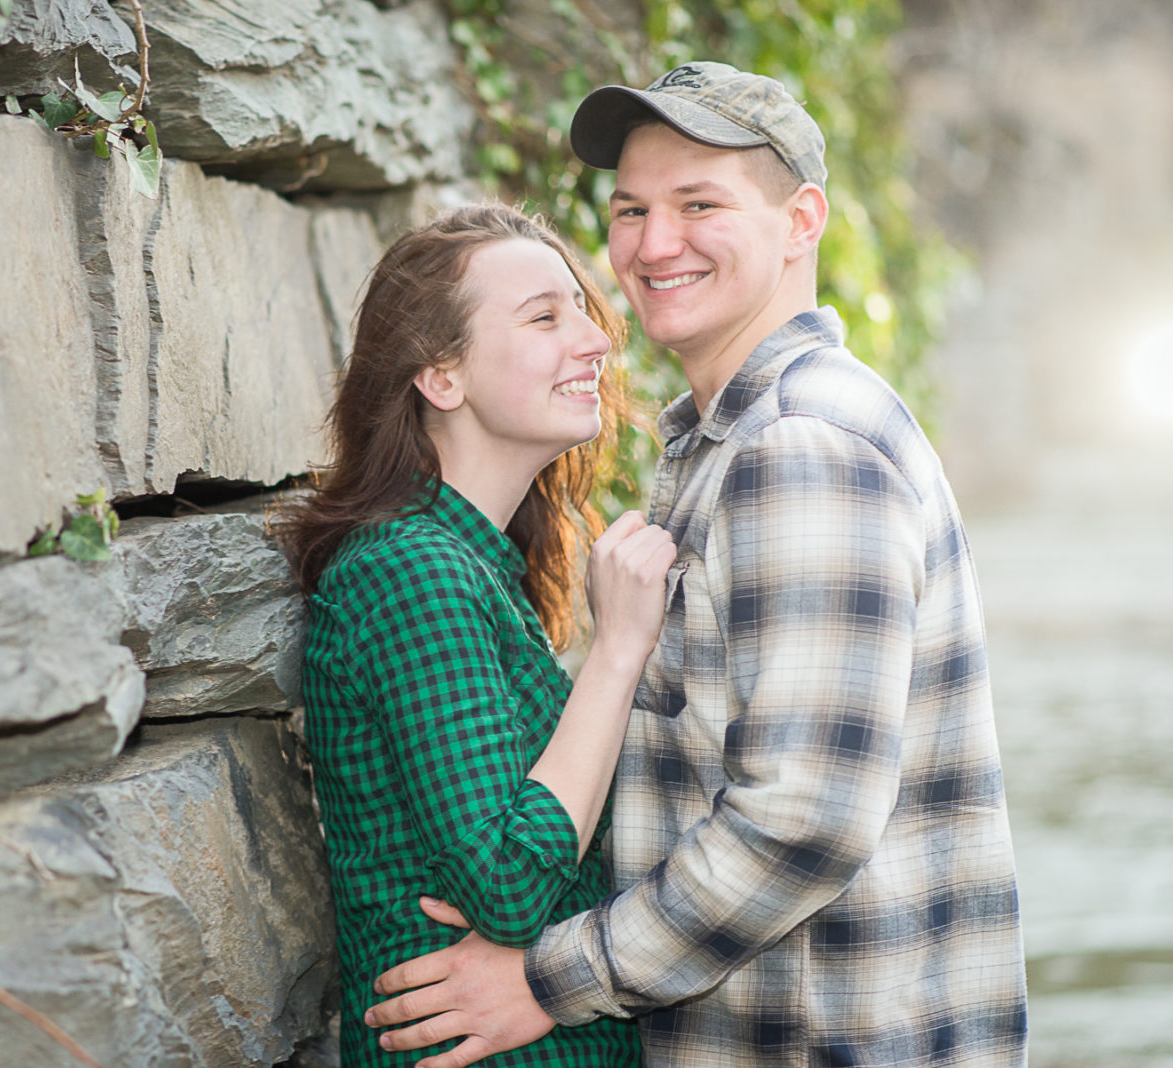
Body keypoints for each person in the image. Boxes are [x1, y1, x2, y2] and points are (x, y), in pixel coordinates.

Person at [364, 62, 1029, 1068]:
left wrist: (552, 980)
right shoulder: (728, 443)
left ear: (800, 221)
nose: (651, 243)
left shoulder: (800, 449)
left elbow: (800, 820)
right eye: (630, 209)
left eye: (698, 204)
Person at [277, 203, 677, 1066]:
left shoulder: (474, 564)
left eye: (581, 308)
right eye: (544, 316)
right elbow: (507, 883)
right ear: (441, 376)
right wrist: (618, 651)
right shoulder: (411, 571)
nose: (592, 339)